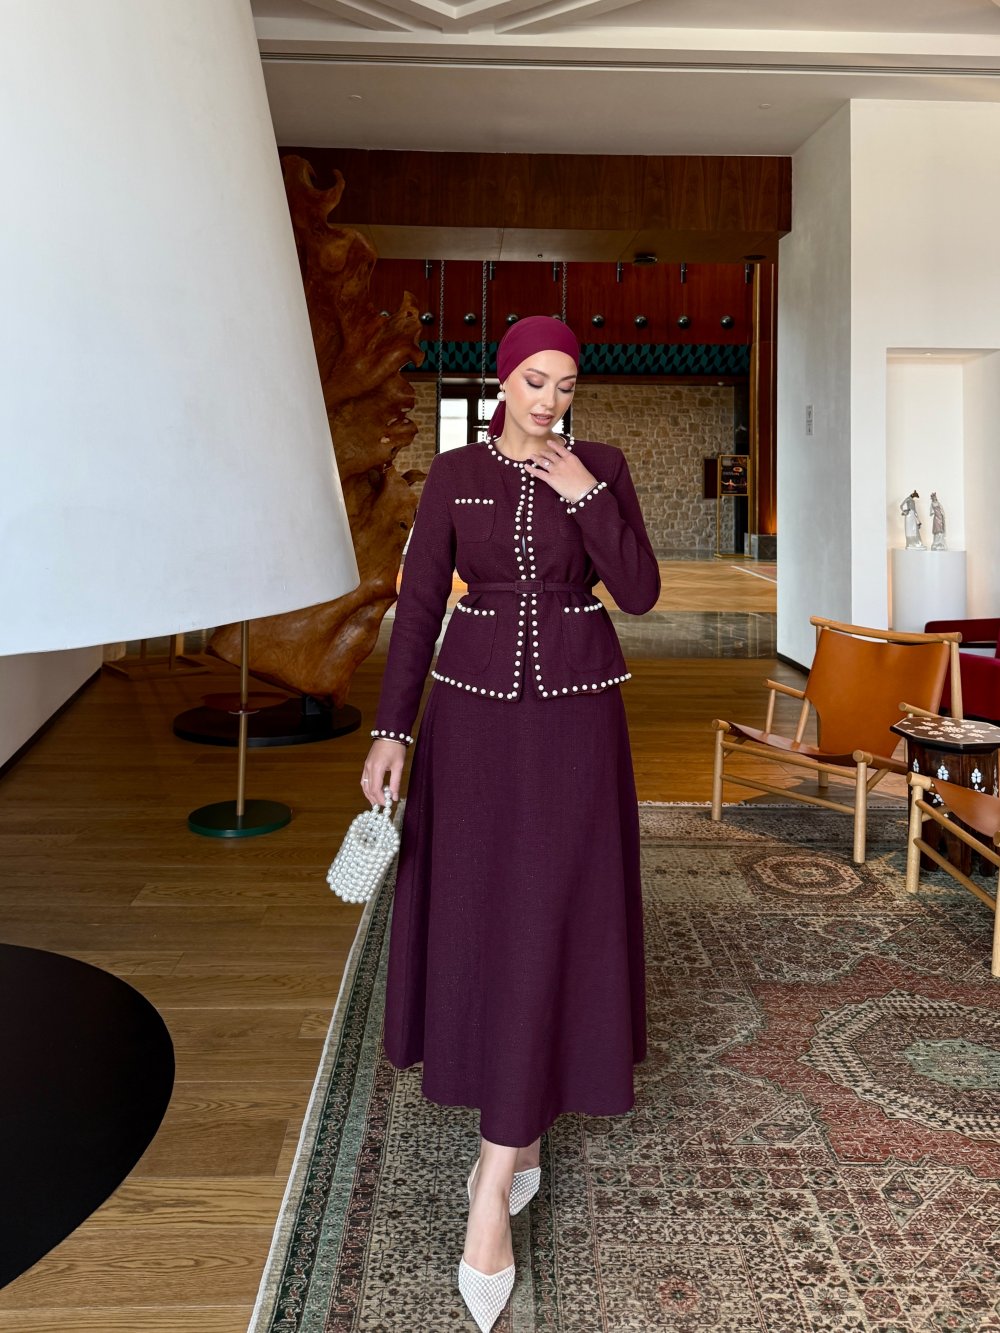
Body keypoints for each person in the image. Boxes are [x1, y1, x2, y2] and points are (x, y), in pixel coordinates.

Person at [360, 316, 660, 1332]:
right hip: (474, 726)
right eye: (535, 380)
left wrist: (584, 492)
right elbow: (417, 605)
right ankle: (515, 1131)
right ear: (503, 381)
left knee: (557, 912)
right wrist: (392, 730)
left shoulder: (602, 465)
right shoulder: (455, 474)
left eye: (566, 384)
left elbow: (640, 591)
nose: (550, 400)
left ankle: (491, 1185)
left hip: (578, 723)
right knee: (488, 914)